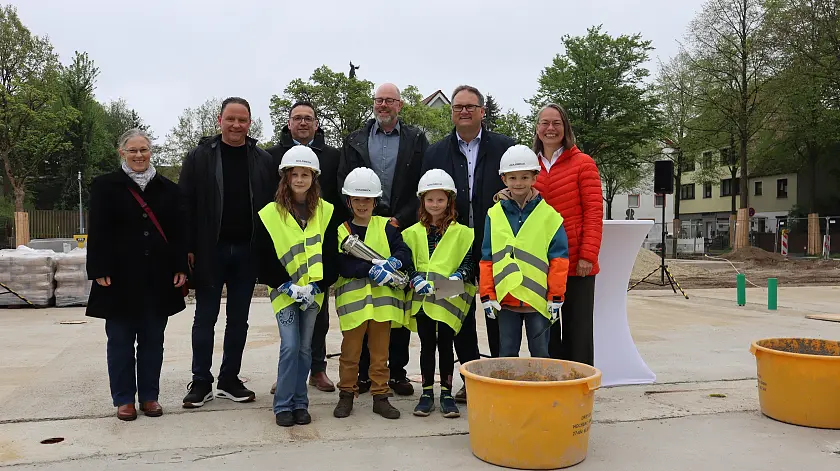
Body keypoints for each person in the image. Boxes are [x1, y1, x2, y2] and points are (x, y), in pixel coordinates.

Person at [178, 97, 276, 408]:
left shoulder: (262, 160)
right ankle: (201, 381)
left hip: (247, 252)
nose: (236, 125)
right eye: (230, 119)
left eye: (242, 120)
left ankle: (230, 379)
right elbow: (185, 205)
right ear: (220, 119)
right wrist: (188, 247)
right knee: (204, 317)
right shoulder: (199, 157)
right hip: (210, 251)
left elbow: (272, 208)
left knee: (239, 320)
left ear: (250, 123)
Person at [86, 128, 188, 421]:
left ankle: (149, 397)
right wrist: (99, 269)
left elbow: (179, 232)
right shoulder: (105, 186)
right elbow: (99, 231)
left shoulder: (169, 189)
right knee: (119, 341)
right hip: (118, 278)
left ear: (151, 152)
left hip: (158, 278)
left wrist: (181, 266)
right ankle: (123, 399)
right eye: (133, 151)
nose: (139, 155)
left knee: (152, 341)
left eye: (144, 150)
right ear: (122, 153)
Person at [421, 85, 515, 402]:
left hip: (493, 248)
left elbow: (522, 188)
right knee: (458, 316)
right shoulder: (435, 154)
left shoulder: (505, 149)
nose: (463, 111)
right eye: (458, 106)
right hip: (452, 250)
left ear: (481, 111)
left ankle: (500, 378)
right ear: (452, 112)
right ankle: (470, 379)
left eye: (470, 106)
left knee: (496, 313)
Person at [337, 83, 429, 396]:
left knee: (396, 303)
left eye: (390, 100)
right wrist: (354, 215)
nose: (384, 105)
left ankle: (397, 372)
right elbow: (344, 182)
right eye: (379, 100)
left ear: (400, 105)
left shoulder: (416, 139)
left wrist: (400, 219)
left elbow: (421, 185)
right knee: (365, 308)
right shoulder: (356, 139)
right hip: (362, 223)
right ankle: (363, 374)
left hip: (397, 225)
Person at [266, 101, 344, 394]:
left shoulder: (334, 157)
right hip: (285, 261)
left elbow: (337, 199)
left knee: (318, 318)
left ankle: (318, 369)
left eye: (308, 118)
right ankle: (287, 376)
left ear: (316, 123)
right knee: (289, 334)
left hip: (317, 259)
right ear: (288, 123)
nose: (302, 122)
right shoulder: (271, 156)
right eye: (297, 118)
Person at [256, 146, 334, 427]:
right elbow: (262, 255)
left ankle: (301, 402)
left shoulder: (326, 211)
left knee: (305, 348)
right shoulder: (269, 213)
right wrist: (286, 286)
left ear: (314, 178)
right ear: (285, 178)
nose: (300, 179)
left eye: (305, 174)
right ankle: (282, 405)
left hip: (313, 292)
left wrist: (317, 285)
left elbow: (332, 255)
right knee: (290, 346)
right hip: (285, 291)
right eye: (294, 174)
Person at [332, 167, 410, 420]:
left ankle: (380, 397)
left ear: (375, 201)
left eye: (367, 199)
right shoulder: (342, 230)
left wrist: (394, 264)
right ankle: (346, 394)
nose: (362, 204)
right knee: (350, 354)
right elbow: (340, 264)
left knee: (380, 355)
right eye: (357, 199)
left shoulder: (386, 226)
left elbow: (403, 252)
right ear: (349, 201)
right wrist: (369, 268)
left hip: (382, 305)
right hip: (354, 305)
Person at [480, 145, 569, 358]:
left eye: (524, 177)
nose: (518, 183)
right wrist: (487, 295)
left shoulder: (549, 215)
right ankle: (510, 392)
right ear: (504, 180)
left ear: (534, 178)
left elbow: (559, 258)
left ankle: (540, 392)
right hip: (506, 300)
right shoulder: (493, 215)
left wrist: (555, 296)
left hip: (537, 300)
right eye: (512, 178)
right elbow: (487, 258)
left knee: (540, 354)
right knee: (507, 354)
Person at [530, 103, 603, 366]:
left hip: (576, 265)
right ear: (537, 129)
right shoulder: (529, 167)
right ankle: (552, 388)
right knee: (545, 335)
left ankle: (579, 388)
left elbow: (594, 213)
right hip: (540, 265)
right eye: (545, 123)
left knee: (578, 332)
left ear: (565, 128)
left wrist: (587, 255)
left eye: (556, 123)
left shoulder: (583, 164)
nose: (550, 129)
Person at [403, 169, 475, 418]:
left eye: (440, 200)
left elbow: (468, 262)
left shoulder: (462, 233)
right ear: (422, 201)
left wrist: (460, 276)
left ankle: (446, 393)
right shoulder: (412, 232)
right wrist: (414, 277)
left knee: (446, 344)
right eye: (430, 200)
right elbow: (406, 261)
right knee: (426, 345)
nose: (435, 204)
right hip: (423, 297)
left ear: (449, 201)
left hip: (449, 294)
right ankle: (426, 393)